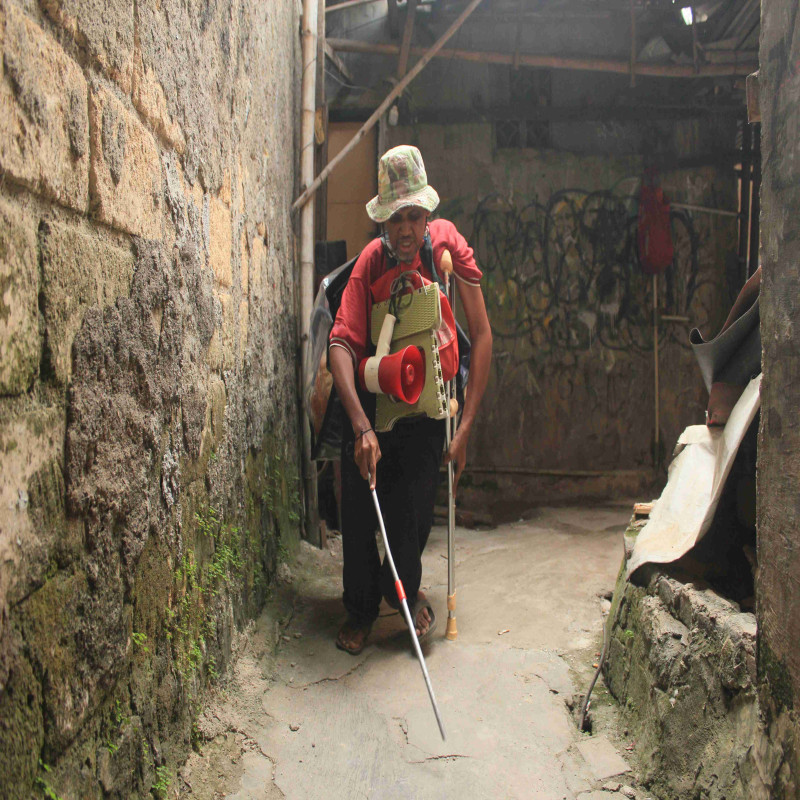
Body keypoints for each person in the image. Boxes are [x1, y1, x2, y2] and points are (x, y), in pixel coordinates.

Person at [328, 145, 492, 655]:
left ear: (427, 217)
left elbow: (482, 337)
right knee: (358, 504)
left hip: (428, 410)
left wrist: (464, 429)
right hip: (374, 408)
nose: (405, 229)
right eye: (396, 218)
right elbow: (340, 345)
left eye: (414, 216)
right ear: (383, 220)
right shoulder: (370, 265)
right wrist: (361, 429)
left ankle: (398, 588)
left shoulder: (445, 250)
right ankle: (359, 608)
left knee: (414, 511)